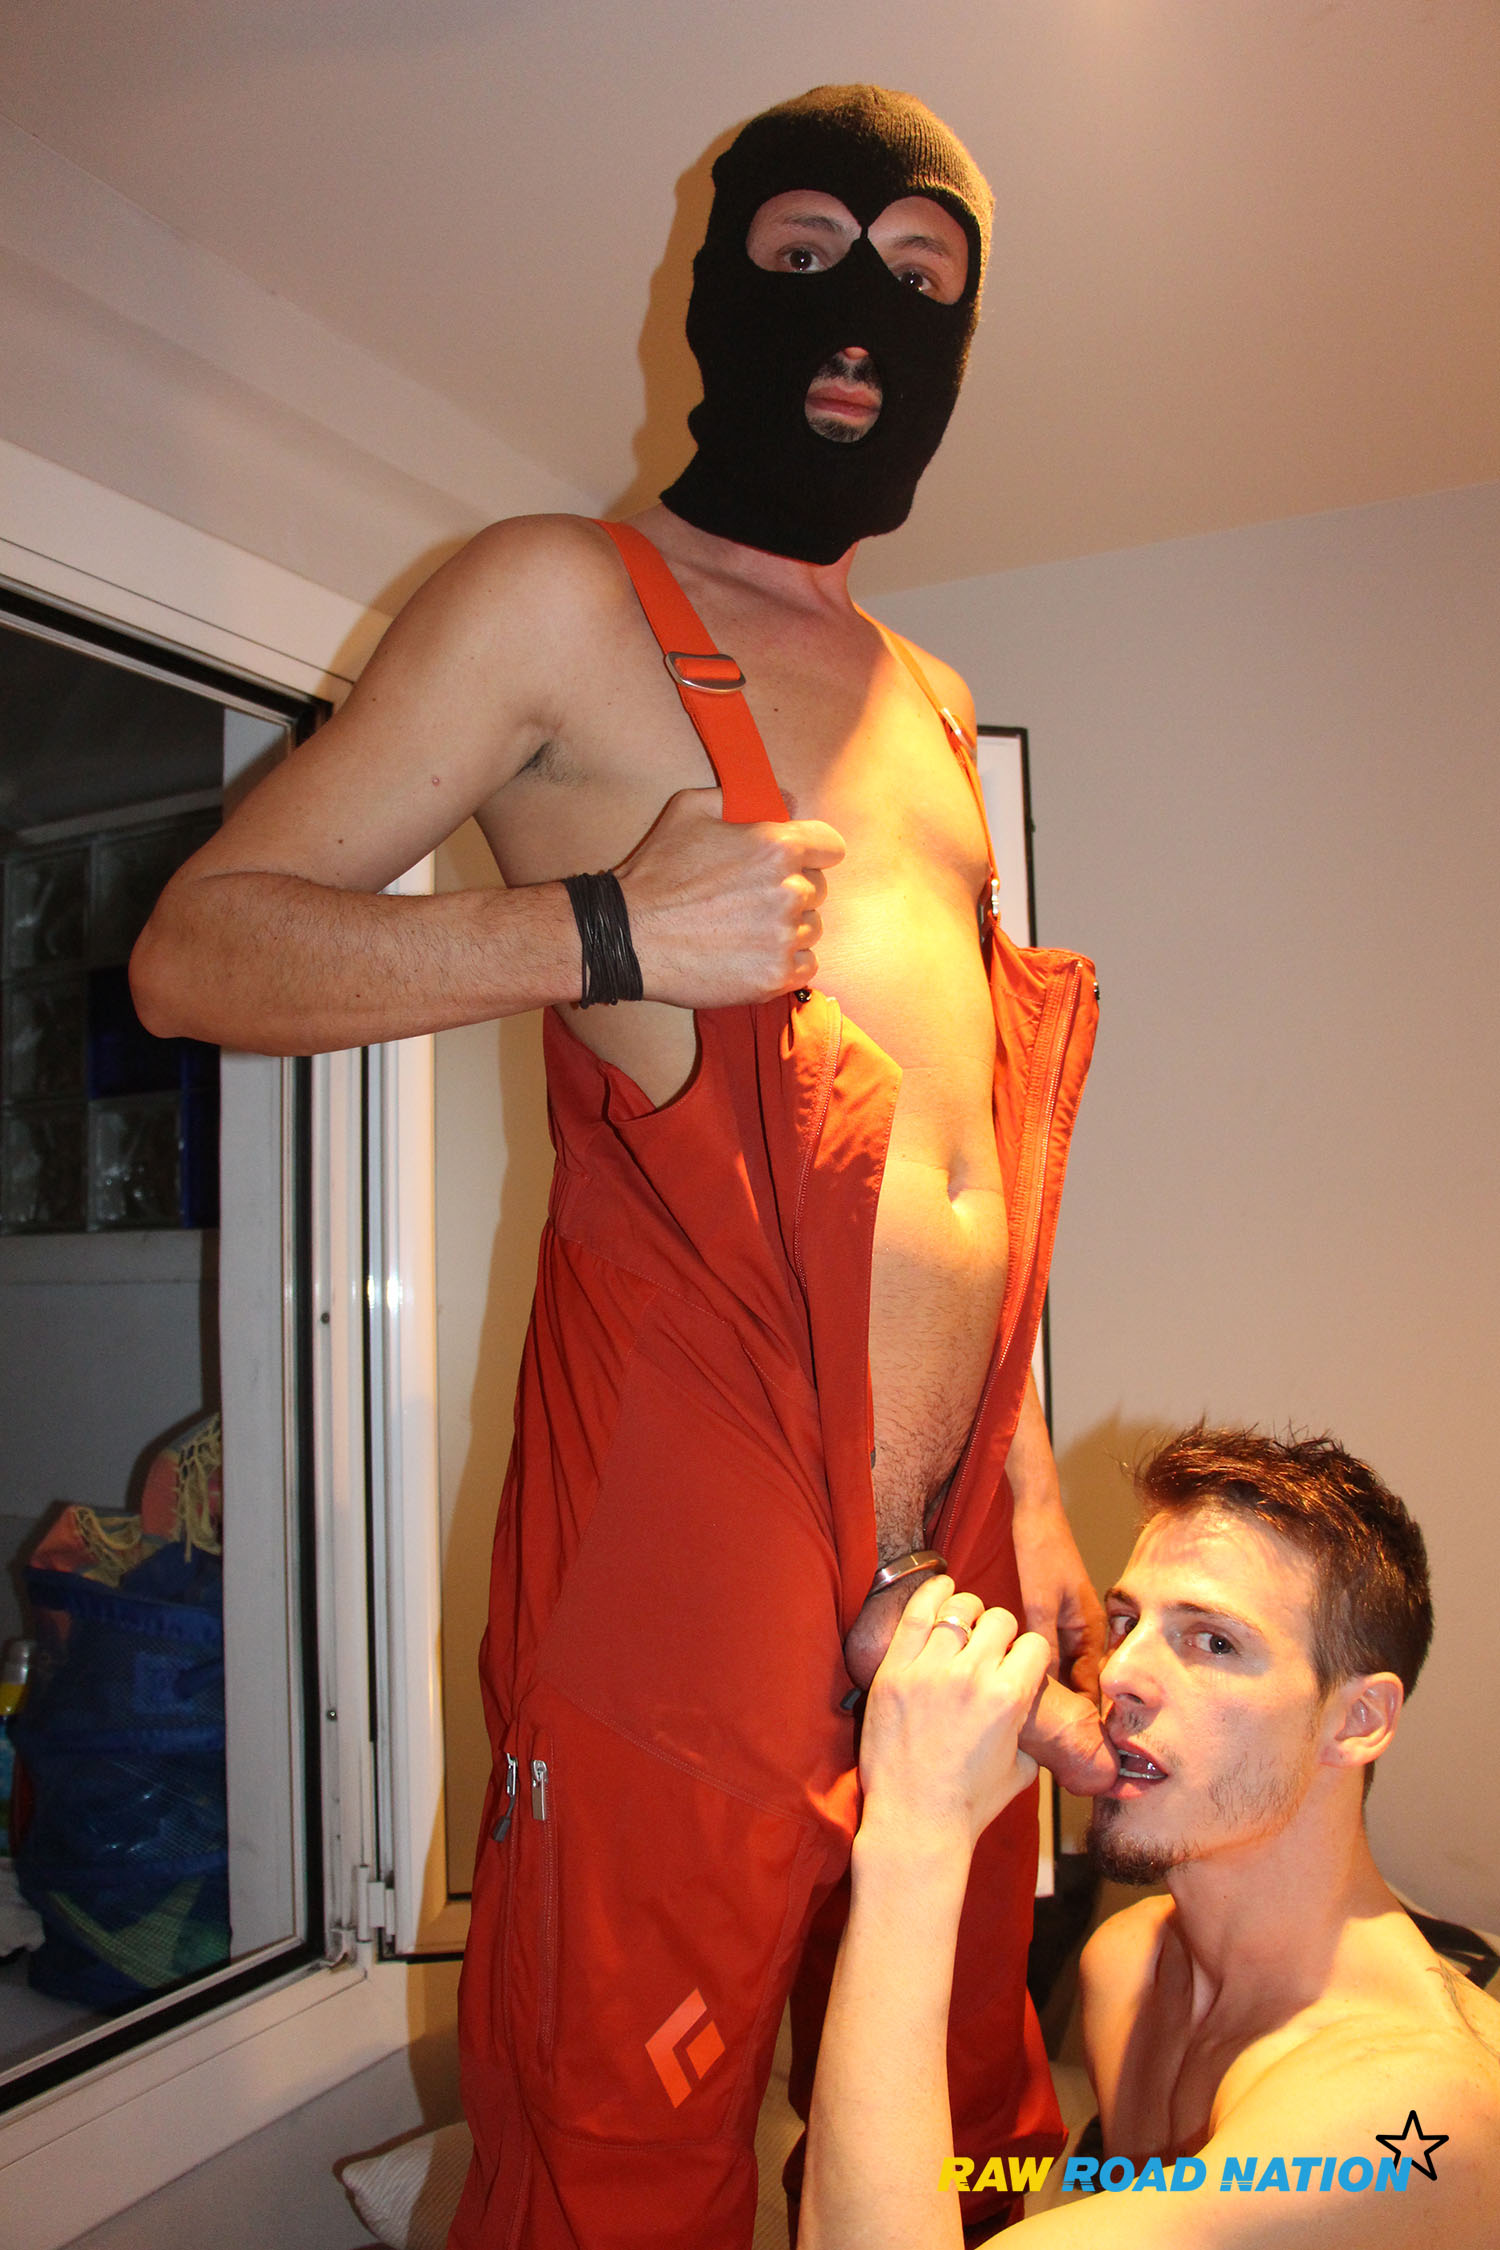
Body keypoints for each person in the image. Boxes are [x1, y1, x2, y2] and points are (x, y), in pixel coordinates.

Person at [131, 84, 1114, 2247]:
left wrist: (1027, 1469)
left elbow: (965, 1147)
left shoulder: (932, 696)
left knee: (961, 2091)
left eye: (924, 278)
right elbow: (197, 956)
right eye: (808, 258)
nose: (864, 317)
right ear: (707, 291)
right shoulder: (553, 595)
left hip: (951, 1527)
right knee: (620, 2136)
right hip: (687, 1500)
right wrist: (598, 930)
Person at [801, 1426, 1500, 2247]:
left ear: (1358, 1720)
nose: (1118, 1671)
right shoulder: (1128, 1966)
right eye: (1126, 1620)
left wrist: (916, 1830)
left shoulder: (1412, 2107)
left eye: (1213, 1641)